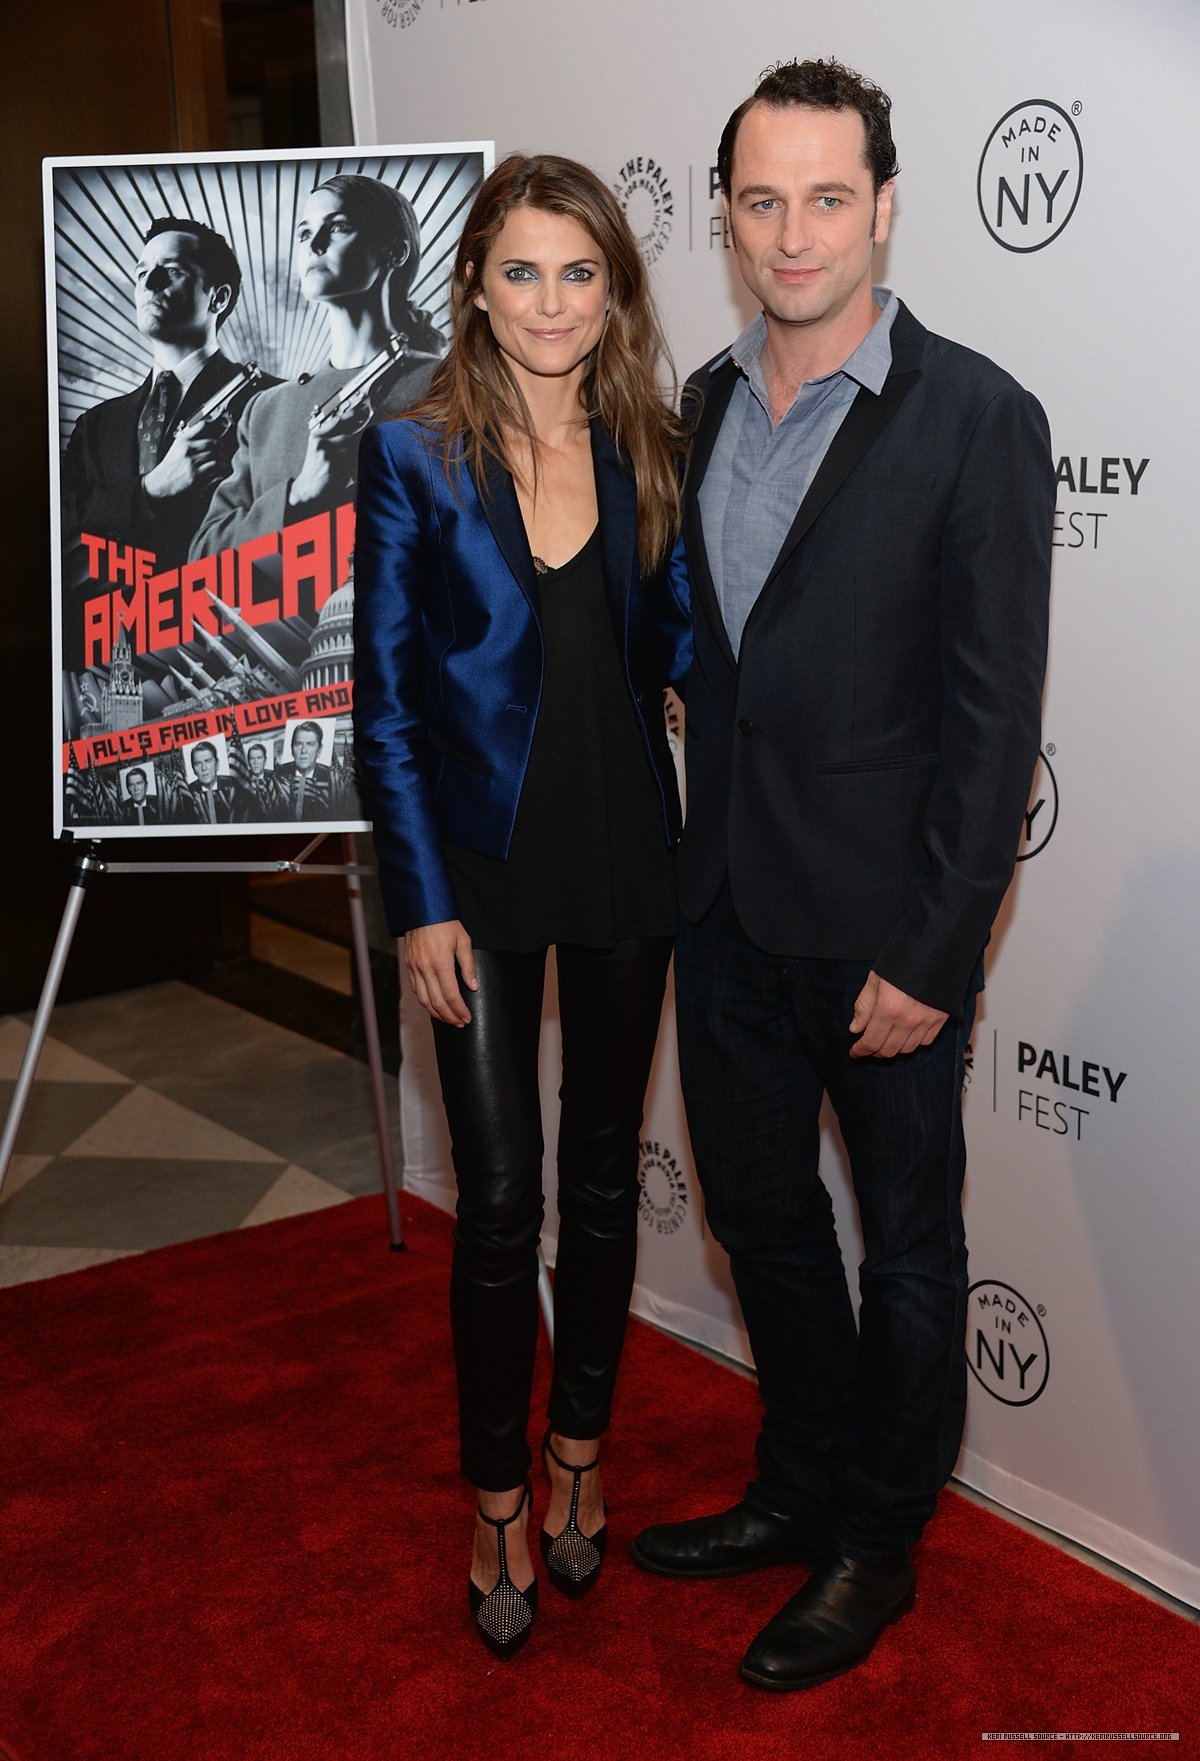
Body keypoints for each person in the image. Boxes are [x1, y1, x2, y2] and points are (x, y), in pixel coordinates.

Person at [630, 58, 1054, 1692]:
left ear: (881, 205)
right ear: (727, 219)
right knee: (758, 1222)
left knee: (912, 1248)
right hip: (723, 908)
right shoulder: (708, 406)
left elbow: (991, 718)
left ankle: (879, 1541)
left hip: (887, 933)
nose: (792, 231)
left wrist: (939, 949)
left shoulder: (976, 417)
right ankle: (796, 1483)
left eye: (826, 196)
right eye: (760, 199)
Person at [352, 153, 690, 1660]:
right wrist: (418, 900)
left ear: (611, 287)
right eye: (522, 271)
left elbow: (680, 654)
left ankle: (580, 1460)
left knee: (603, 1182)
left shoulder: (652, 445)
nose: (550, 302)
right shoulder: (412, 454)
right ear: (476, 285)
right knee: (500, 1203)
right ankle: (494, 1491)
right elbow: (389, 708)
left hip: (627, 856)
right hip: (475, 878)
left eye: (579, 272)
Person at [193, 174, 444, 559]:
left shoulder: (449, 385)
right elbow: (204, 556)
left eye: (338, 226)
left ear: (395, 252)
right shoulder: (265, 411)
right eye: (303, 233)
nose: (315, 244)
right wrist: (301, 493)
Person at [61, 217, 269, 574]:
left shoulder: (270, 399)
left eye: (171, 271)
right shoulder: (94, 427)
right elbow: (56, 526)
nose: (149, 284)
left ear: (218, 298)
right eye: (142, 273)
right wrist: (148, 491)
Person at [275, 721, 336, 821]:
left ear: (319, 750)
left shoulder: (333, 780)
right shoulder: (277, 775)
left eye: (310, 744)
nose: (304, 751)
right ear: (291, 749)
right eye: (299, 744)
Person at [179, 740, 247, 825]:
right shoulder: (188, 795)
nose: (204, 768)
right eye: (198, 764)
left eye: (208, 761)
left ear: (217, 764)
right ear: (193, 769)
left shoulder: (233, 786)